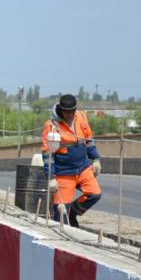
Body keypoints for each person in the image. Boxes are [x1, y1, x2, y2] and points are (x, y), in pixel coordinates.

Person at [42, 94, 102, 228]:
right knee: (61, 214)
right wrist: (51, 177)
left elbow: (89, 139)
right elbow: (47, 155)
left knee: (95, 194)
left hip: (83, 168)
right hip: (64, 173)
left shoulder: (81, 116)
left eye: (72, 112)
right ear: (61, 110)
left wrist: (96, 159)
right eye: (66, 112)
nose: (70, 115)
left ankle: (73, 213)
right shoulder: (51, 126)